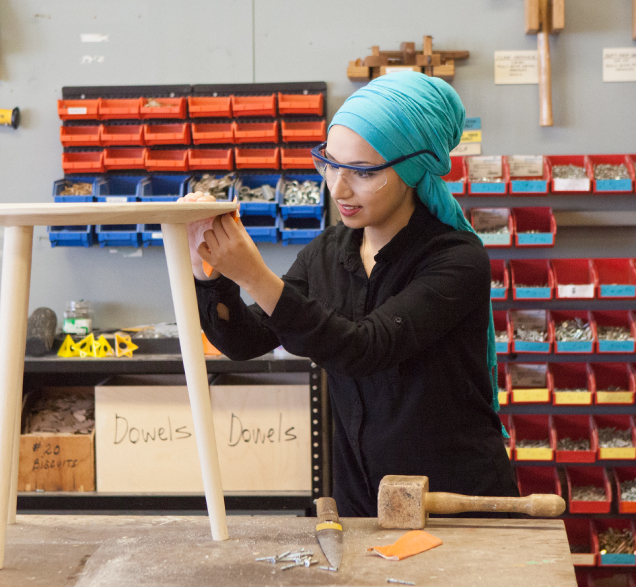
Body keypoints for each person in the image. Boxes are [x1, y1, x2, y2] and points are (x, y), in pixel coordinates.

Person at [180, 72, 516, 517]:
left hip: (455, 502)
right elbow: (247, 341)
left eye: (362, 172)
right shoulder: (329, 252)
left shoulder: (456, 259)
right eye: (330, 163)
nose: (338, 188)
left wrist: (255, 276)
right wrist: (205, 269)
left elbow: (365, 347)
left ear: (412, 168)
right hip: (365, 503)